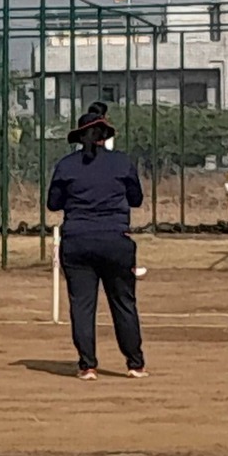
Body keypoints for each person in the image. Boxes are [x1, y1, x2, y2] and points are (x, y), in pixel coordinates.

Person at [45, 111, 146, 380]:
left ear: (80, 137)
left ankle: (87, 365)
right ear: (105, 136)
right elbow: (136, 199)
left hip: (77, 241)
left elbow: (53, 204)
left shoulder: (66, 166)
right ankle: (135, 364)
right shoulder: (122, 162)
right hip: (116, 240)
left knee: (82, 306)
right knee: (123, 302)